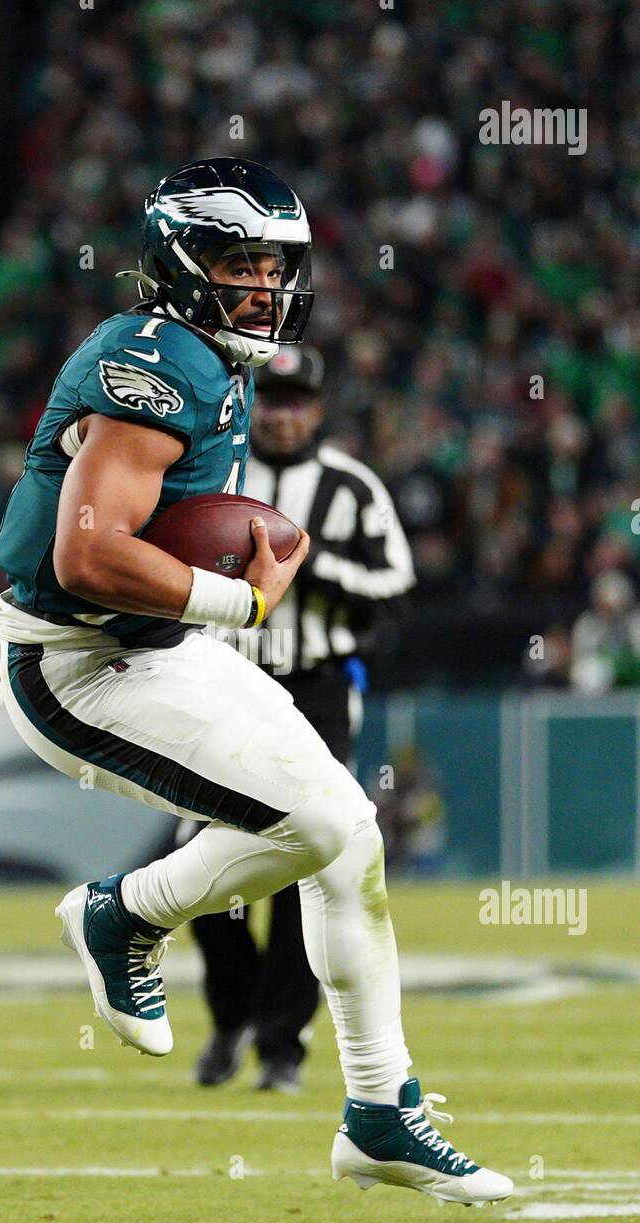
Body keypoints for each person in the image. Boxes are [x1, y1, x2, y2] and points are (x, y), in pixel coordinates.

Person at [0, 157, 512, 1206]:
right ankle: (124, 911)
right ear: (178, 265)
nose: (266, 287)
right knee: (314, 823)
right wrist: (242, 602)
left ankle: (379, 1110)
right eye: (239, 263)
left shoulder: (209, 357)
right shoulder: (151, 367)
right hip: (77, 663)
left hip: (156, 647)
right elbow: (90, 555)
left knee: (349, 831)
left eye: (275, 264)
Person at [184, 345, 415, 1093]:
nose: (283, 415)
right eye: (272, 400)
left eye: (296, 401)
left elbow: (396, 587)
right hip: (225, 680)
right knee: (189, 858)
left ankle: (281, 1046)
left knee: (302, 867)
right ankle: (234, 1012)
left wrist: (305, 561)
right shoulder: (218, 473)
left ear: (318, 407)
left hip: (315, 688)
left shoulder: (351, 486)